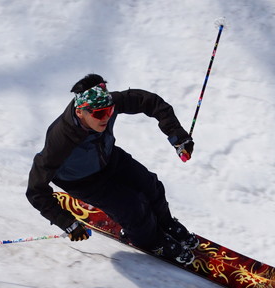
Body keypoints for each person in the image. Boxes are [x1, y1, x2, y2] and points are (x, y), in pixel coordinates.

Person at [26, 73, 198, 265]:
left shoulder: (106, 104)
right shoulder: (61, 140)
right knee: (133, 207)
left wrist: (178, 135)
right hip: (83, 181)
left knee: (151, 185)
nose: (106, 117)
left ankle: (165, 222)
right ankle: (152, 241)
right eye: (99, 114)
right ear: (80, 112)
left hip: (109, 158)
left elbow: (149, 101)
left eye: (109, 111)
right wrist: (66, 222)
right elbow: (35, 190)